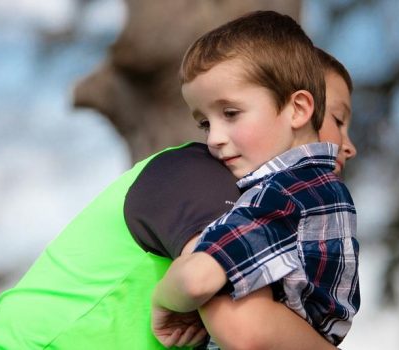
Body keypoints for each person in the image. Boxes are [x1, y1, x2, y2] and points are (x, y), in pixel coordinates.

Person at [0, 141, 332, 349]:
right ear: (293, 110)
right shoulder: (203, 175)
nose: (347, 145)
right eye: (336, 119)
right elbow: (246, 329)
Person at [152, 10, 360, 347]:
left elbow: (196, 280)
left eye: (230, 114)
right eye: (205, 123)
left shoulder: (286, 193)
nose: (213, 138)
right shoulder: (317, 191)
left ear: (297, 109)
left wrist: (162, 296)